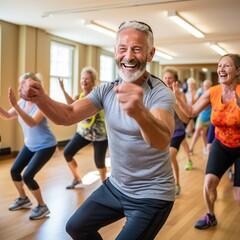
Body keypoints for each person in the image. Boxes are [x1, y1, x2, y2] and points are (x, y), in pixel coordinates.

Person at [19, 20, 176, 239]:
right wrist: (40, 98)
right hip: (117, 186)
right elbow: (68, 115)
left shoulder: (160, 93)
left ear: (151, 54)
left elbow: (161, 140)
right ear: (115, 52)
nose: (128, 56)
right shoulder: (107, 90)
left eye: (137, 49)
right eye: (123, 49)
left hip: (151, 195)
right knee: (76, 227)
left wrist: (139, 112)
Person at [172, 53, 240, 230]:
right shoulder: (213, 92)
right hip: (221, 143)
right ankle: (210, 216)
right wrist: (179, 98)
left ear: (238, 71)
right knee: (209, 182)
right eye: (219, 66)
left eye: (226, 66)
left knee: (238, 195)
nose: (221, 69)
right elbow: (191, 112)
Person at [0, 73, 57, 220]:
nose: (22, 89)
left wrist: (15, 106)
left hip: (46, 146)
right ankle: (23, 199)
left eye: (26, 86)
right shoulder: (22, 102)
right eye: (21, 85)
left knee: (28, 176)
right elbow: (7, 115)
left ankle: (42, 206)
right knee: (14, 171)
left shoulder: (41, 104)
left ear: (35, 88)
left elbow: (31, 122)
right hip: (30, 145)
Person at [59, 67, 108, 188]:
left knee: (99, 162)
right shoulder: (79, 96)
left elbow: (83, 114)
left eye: (87, 78)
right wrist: (63, 90)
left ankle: (105, 187)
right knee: (67, 152)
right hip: (83, 133)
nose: (84, 81)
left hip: (100, 135)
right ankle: (76, 178)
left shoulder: (97, 96)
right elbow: (71, 107)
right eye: (82, 78)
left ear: (93, 81)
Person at [163, 67, 191, 196]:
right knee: (169, 159)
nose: (167, 80)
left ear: (175, 81)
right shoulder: (159, 93)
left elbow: (186, 118)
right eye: (165, 78)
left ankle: (176, 183)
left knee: (170, 156)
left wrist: (175, 102)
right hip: (162, 132)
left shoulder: (180, 95)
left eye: (170, 78)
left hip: (178, 131)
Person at [189, 80, 212, 155]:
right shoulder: (201, 93)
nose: (207, 86)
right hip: (201, 117)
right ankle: (191, 148)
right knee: (198, 129)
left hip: (209, 118)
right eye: (205, 85)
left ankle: (205, 147)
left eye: (208, 85)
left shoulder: (213, 94)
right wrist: (192, 93)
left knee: (203, 133)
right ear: (203, 86)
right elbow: (193, 103)